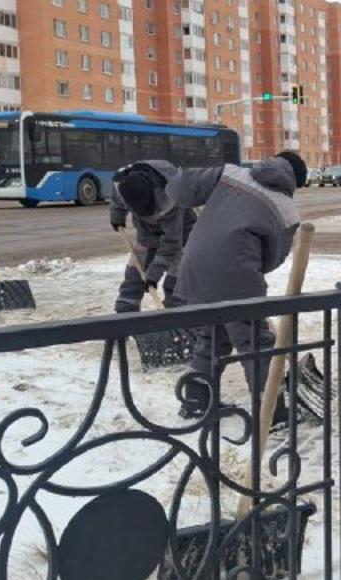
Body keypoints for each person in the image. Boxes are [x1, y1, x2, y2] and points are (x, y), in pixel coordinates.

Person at [168, 151, 307, 420]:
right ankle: (274, 414)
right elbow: (273, 257)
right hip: (236, 278)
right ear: (294, 182)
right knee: (255, 343)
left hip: (193, 267)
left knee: (211, 337)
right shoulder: (287, 210)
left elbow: (181, 189)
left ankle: (197, 401)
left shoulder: (230, 173)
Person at [109, 161, 196, 312]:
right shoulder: (124, 185)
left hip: (182, 234)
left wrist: (153, 275)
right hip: (147, 232)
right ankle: (126, 308)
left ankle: (175, 308)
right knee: (137, 264)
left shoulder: (171, 197)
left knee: (178, 270)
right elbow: (117, 201)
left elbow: (171, 243)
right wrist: (117, 217)